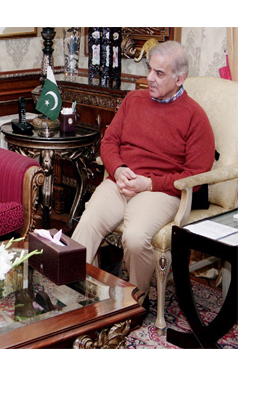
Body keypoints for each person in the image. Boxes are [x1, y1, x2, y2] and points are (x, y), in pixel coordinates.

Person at [71, 41, 215, 306]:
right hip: (122, 181)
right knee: (88, 222)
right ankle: (70, 291)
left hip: (159, 190)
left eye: (159, 73)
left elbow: (195, 177)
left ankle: (135, 302)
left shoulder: (195, 117)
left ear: (179, 78)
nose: (149, 78)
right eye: (150, 70)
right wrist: (118, 169)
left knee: (136, 238)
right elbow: (109, 143)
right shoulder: (133, 100)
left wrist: (149, 183)